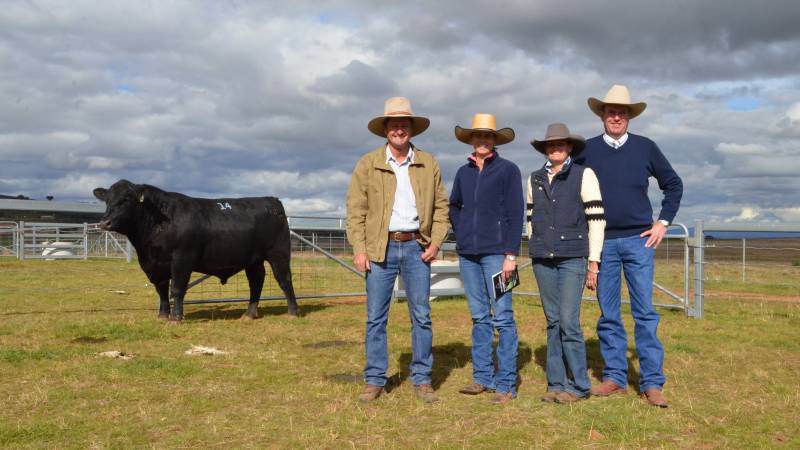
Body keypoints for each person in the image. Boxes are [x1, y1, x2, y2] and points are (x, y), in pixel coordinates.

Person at [576, 85, 683, 408]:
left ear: (629, 117)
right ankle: (614, 378)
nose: (616, 116)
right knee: (609, 314)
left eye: (622, 112)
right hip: (603, 243)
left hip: (639, 241)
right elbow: (571, 187)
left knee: (644, 313)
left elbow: (673, 184)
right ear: (602, 115)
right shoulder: (586, 150)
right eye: (611, 111)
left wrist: (662, 222)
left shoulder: (646, 147)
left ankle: (651, 382)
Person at [346, 96, 450, 404]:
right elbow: (355, 210)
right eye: (394, 125)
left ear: (412, 129)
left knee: (422, 315)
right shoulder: (368, 164)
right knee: (376, 317)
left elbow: (442, 206)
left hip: (417, 248)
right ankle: (375, 378)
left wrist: (436, 242)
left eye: (404, 125)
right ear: (386, 129)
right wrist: (360, 248)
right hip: (380, 248)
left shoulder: (428, 163)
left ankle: (421, 378)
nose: (399, 130)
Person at [526, 123, 605, 404]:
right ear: (545, 149)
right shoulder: (534, 178)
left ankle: (580, 384)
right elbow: (530, 218)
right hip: (542, 258)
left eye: (560, 144)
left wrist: (593, 262)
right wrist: (534, 243)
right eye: (550, 145)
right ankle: (555, 383)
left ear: (570, 147)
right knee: (553, 321)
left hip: (573, 257)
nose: (555, 148)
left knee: (569, 321)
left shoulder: (585, 175)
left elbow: (597, 221)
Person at [449, 113, 523, 404]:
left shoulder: (508, 170)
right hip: (468, 256)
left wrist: (511, 255)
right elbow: (454, 205)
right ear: (471, 139)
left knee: (503, 318)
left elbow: (516, 213)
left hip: (499, 256)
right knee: (479, 317)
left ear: (494, 141)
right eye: (477, 136)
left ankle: (506, 384)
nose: (482, 140)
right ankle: (482, 378)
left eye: (487, 136)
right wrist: (463, 228)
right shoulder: (463, 172)